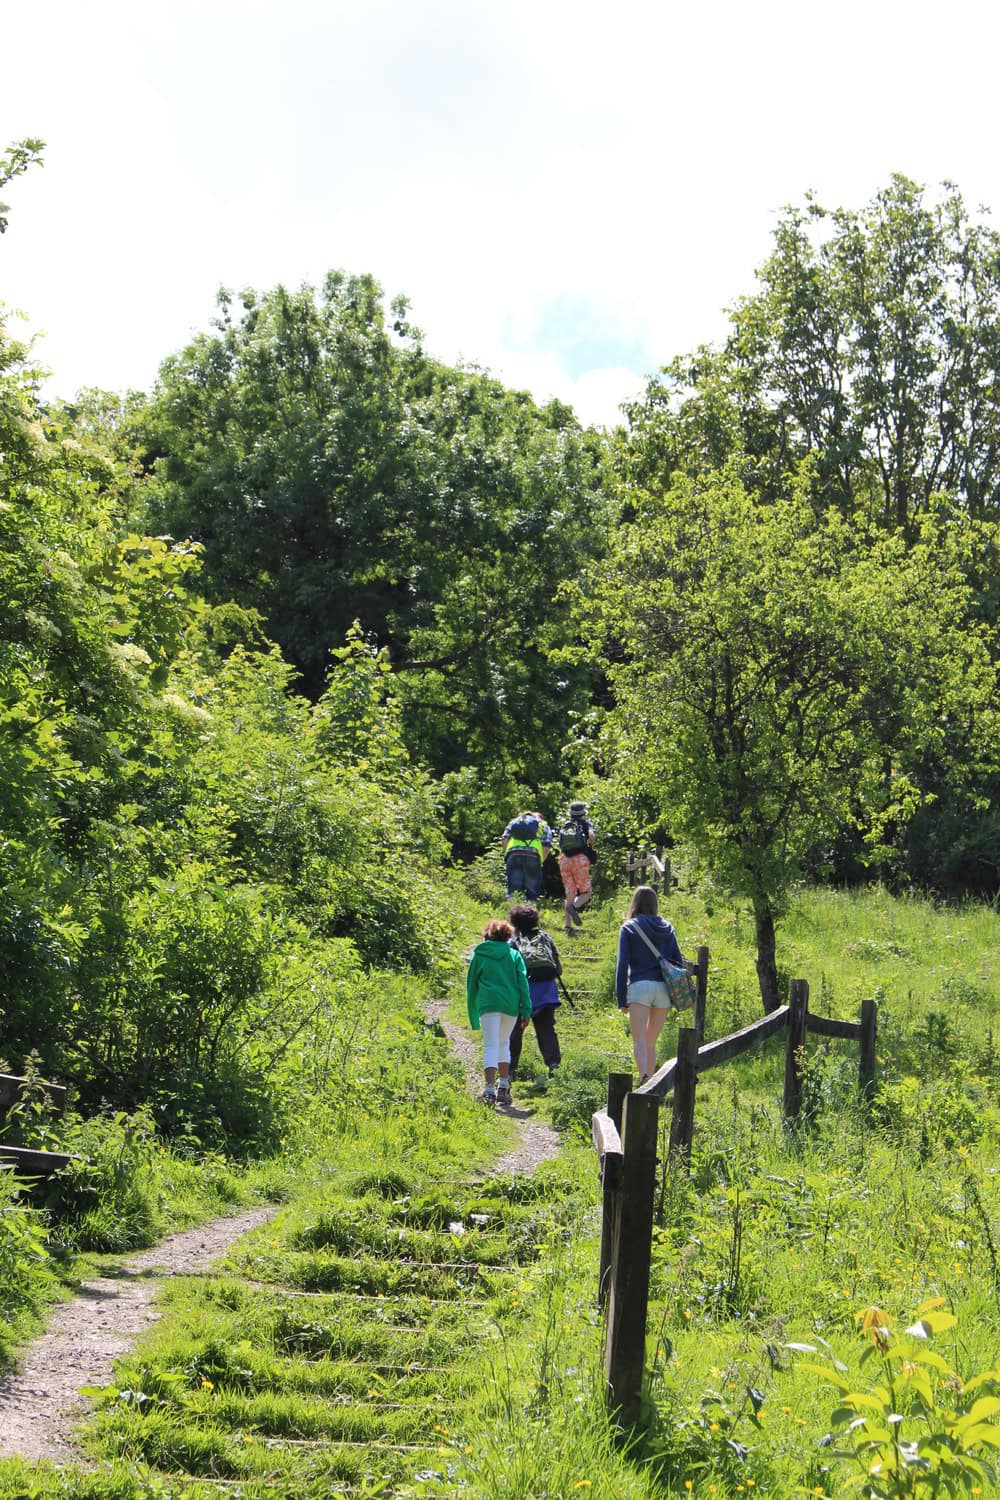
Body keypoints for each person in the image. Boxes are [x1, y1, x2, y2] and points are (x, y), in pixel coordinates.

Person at [615, 885, 684, 1083]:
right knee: (651, 1042)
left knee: (639, 1041)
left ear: (634, 903)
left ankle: (644, 1078)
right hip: (663, 988)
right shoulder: (667, 927)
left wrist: (621, 998)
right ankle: (652, 1085)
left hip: (640, 987)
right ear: (655, 904)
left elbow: (622, 964)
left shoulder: (629, 927)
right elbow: (677, 961)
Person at [466, 917, 531, 1108]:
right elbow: (523, 984)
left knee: (490, 1045)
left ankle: (488, 1090)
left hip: (488, 1004)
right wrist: (526, 1009)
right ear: (507, 935)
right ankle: (503, 1086)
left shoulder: (480, 954)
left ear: (488, 934)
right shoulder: (514, 955)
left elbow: (471, 985)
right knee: (504, 1043)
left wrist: (472, 1011)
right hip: (510, 1005)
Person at [507, 904, 563, 1077]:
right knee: (546, 1029)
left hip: (522, 993)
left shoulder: (513, 942)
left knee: (515, 1030)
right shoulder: (545, 938)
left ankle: (510, 1069)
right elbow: (558, 970)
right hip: (546, 992)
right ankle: (553, 1064)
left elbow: (510, 970)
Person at [558, 800, 596, 935]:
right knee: (586, 892)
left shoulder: (566, 825)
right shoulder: (586, 824)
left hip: (564, 860)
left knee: (569, 893)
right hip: (579, 860)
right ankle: (574, 907)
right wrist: (592, 847)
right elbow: (591, 836)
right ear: (583, 813)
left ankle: (568, 926)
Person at [501, 810, 552, 902]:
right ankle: (530, 912)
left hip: (513, 854)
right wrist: (540, 861)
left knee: (513, 889)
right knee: (532, 891)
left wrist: (507, 855)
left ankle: (510, 912)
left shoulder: (514, 822)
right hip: (533, 856)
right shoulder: (543, 825)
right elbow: (546, 846)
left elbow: (504, 839)